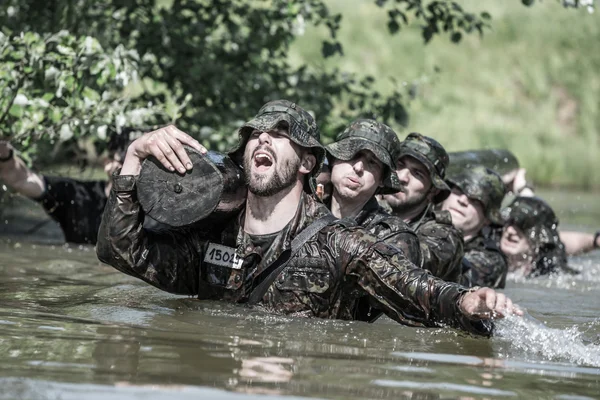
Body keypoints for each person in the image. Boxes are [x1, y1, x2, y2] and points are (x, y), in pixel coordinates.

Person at [96, 99, 521, 336]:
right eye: (255, 134)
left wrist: (467, 300)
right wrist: (133, 160)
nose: (263, 137)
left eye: (281, 133)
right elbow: (121, 250)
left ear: (306, 162)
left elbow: (417, 293)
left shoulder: (341, 245)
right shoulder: (214, 236)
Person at [325, 119, 422, 322]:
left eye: (372, 163)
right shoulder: (299, 211)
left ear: (381, 181)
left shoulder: (394, 238)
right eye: (352, 154)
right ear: (333, 160)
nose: (358, 167)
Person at [0, 132, 130, 244]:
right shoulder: (77, 196)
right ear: (107, 163)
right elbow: (20, 179)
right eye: (128, 160)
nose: (136, 168)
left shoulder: (149, 208)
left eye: (145, 160)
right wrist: (4, 151)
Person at [380, 133, 464, 283]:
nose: (402, 178)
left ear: (433, 191)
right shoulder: (364, 207)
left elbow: (404, 263)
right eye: (399, 165)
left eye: (417, 173)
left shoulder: (443, 236)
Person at [442, 166, 508, 288]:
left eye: (475, 200)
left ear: (487, 218)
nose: (462, 200)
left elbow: (455, 287)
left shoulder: (490, 260)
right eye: (458, 190)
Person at [500, 196, 573, 278]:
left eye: (523, 225)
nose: (510, 230)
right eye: (508, 221)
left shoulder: (554, 275)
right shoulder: (489, 252)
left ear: (541, 237)